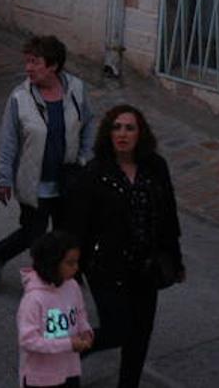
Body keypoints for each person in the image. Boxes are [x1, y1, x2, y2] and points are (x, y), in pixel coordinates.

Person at [67, 105, 185, 388]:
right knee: (117, 330)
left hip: (146, 267)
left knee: (141, 335)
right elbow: (76, 227)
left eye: (129, 128)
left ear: (140, 133)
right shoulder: (94, 173)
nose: (122, 134)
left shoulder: (156, 167)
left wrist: (176, 260)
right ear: (108, 134)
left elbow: (168, 216)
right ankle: (70, 354)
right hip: (106, 268)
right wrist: (71, 270)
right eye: (116, 127)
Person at [0, 35, 97, 290]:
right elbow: (8, 142)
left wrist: (84, 156)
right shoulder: (20, 98)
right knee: (32, 236)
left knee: (65, 235)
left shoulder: (76, 90)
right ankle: (0, 255)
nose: (28, 68)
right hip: (33, 182)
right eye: (27, 62)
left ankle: (58, 284)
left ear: (53, 65)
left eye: (34, 62)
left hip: (66, 180)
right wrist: (3, 178)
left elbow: (89, 122)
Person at [17, 230, 93, 388]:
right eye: (70, 263)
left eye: (77, 262)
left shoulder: (72, 287)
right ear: (52, 263)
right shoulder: (34, 299)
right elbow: (28, 340)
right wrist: (68, 344)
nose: (76, 268)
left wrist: (86, 331)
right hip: (41, 379)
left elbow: (80, 314)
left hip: (69, 371)